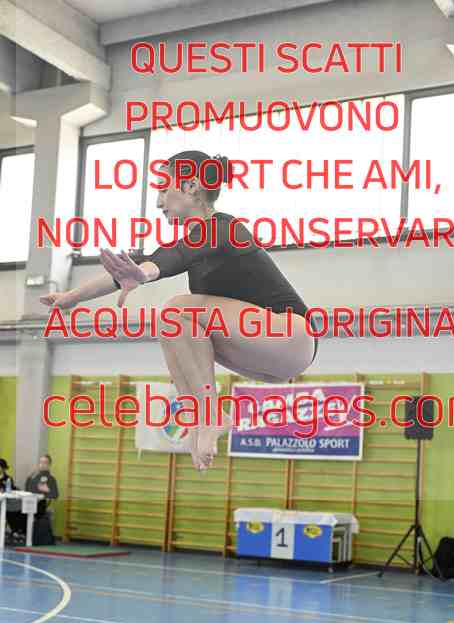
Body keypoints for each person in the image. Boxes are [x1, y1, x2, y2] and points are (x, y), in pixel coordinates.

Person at [40, 151, 319, 472]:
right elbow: (153, 261)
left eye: (163, 189)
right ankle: (198, 420)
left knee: (175, 311)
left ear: (191, 187)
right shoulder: (198, 242)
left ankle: (211, 415)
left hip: (292, 334)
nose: (158, 202)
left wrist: (144, 274)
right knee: (171, 329)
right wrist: (71, 297)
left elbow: (170, 258)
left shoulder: (225, 229)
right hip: (272, 363)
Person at [0, 458, 25, 540]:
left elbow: (11, 490)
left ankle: (15, 531)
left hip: (7, 502)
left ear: (4, 468)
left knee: (13, 510)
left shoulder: (8, 478)